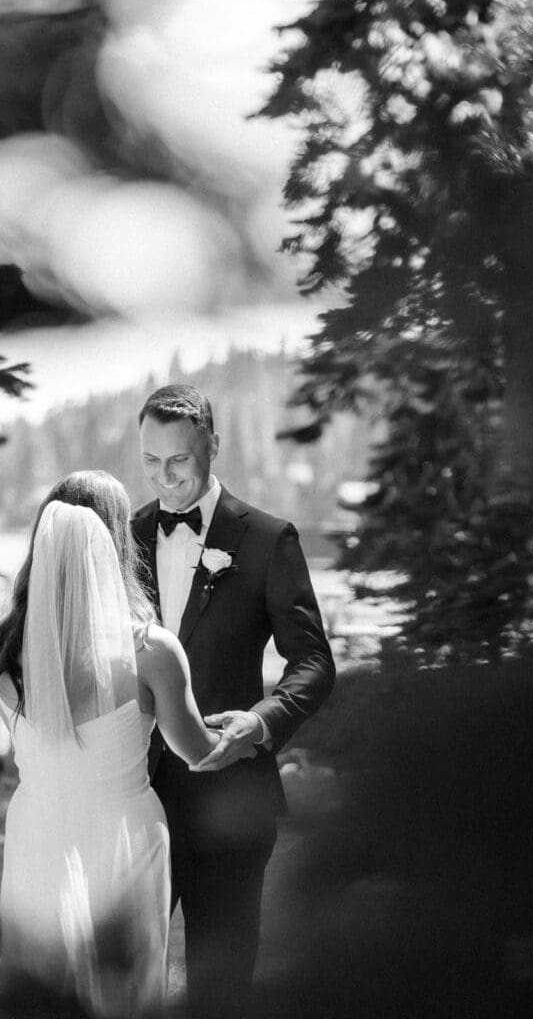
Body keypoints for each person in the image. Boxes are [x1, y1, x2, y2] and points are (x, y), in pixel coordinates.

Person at [132, 385, 336, 1019]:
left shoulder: (268, 538)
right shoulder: (125, 536)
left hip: (232, 803)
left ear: (212, 448)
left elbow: (313, 661)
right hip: (135, 800)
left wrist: (262, 721)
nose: (165, 479)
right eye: (150, 461)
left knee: (221, 992)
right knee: (125, 980)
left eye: (180, 461)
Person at [0, 471, 219, 1019]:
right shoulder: (150, 650)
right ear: (115, 541)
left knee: (39, 986)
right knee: (126, 992)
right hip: (123, 836)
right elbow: (195, 750)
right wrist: (245, 731)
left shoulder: (4, 644)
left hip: (36, 828)